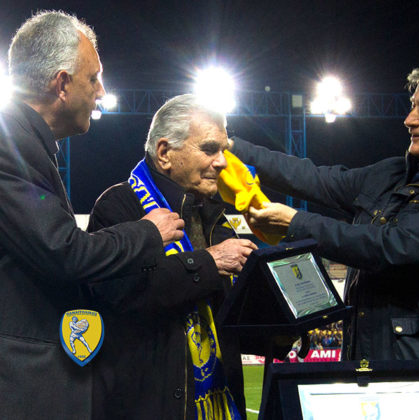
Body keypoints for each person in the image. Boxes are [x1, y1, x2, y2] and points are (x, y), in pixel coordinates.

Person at [237, 55, 419, 418]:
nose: (409, 119)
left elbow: (390, 247)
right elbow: (315, 178)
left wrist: (297, 223)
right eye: (413, 106)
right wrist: (230, 147)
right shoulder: (391, 174)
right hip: (376, 380)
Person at [0, 10, 184, 418]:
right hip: (22, 388)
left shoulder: (24, 142)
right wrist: (147, 232)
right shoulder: (7, 144)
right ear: (62, 84)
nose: (101, 91)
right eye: (93, 78)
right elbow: (63, 251)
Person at [87, 94, 257, 419]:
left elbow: (230, 325)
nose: (222, 162)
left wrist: (279, 328)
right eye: (210, 149)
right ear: (165, 153)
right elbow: (124, 293)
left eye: (224, 150)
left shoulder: (215, 219)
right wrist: (210, 262)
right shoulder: (119, 206)